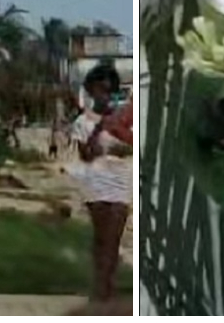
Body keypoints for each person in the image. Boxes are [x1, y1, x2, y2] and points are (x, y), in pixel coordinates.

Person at [69, 64, 132, 303]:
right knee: (100, 238)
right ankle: (101, 285)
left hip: (119, 183)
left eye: (109, 90)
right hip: (95, 183)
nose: (104, 95)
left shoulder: (125, 119)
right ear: (91, 91)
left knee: (113, 240)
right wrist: (98, 129)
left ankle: (106, 286)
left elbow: (135, 147)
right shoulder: (82, 122)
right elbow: (85, 154)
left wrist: (117, 143)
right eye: (100, 90)